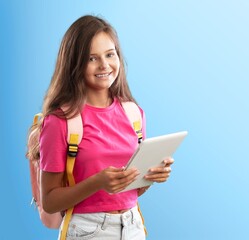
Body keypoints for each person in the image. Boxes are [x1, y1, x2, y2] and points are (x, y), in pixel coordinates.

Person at [36, 15, 174, 239]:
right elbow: (50, 202)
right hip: (87, 230)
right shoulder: (60, 121)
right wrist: (97, 182)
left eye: (110, 54)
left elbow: (131, 191)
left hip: (133, 226)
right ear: (75, 63)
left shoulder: (134, 114)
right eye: (92, 58)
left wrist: (151, 176)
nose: (104, 65)